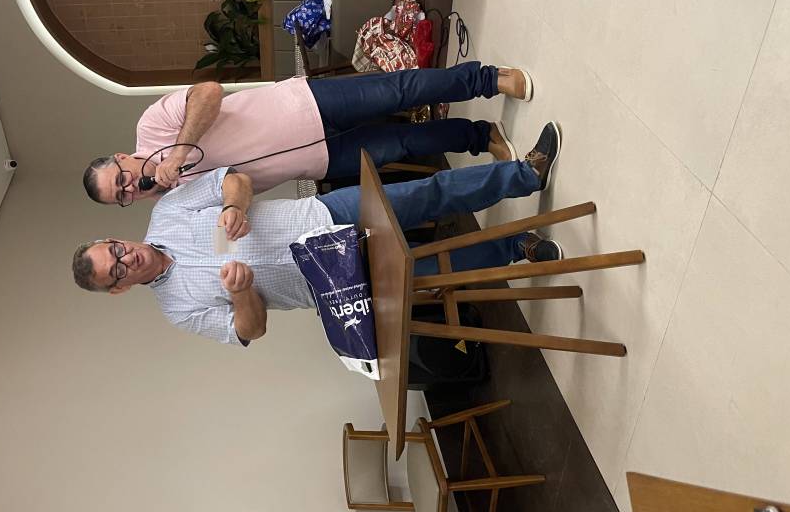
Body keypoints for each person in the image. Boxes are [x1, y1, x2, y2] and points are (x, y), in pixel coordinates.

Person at [71, 122, 561, 346]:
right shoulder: (177, 309)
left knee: (426, 195)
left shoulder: (169, 213)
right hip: (333, 279)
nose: (126, 258)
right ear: (118, 289)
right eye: (116, 270)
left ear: (116, 237)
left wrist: (234, 206)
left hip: (322, 216)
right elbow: (249, 330)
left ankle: (524, 175)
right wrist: (241, 295)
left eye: (115, 249)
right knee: (431, 270)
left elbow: (233, 180)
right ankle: (518, 248)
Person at [82, 61, 535, 206]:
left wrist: (178, 153)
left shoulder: (151, 126)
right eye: (122, 196)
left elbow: (209, 93)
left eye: (121, 179)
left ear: (122, 157)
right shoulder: (176, 202)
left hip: (305, 105)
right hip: (317, 161)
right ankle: (482, 137)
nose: (130, 188)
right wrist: (228, 220)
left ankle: (488, 79)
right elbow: (235, 203)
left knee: (399, 91)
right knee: (404, 144)